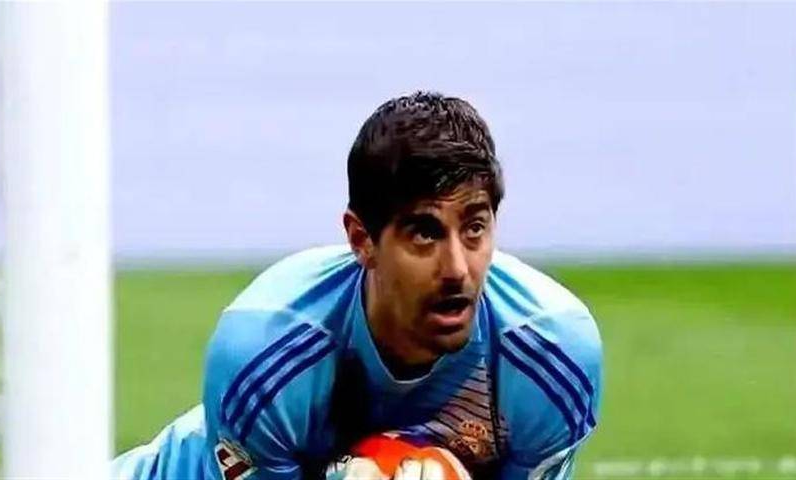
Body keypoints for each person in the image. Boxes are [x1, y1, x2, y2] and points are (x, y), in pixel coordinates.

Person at [113, 91, 602, 480]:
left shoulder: (549, 356)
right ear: (362, 240)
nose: (457, 268)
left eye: (475, 228)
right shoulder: (267, 357)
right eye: (424, 234)